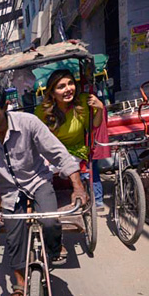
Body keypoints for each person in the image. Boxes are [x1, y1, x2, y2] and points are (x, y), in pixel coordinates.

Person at [0, 85, 86, 296]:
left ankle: (53, 250)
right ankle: (19, 287)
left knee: (51, 222)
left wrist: (77, 185)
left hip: (37, 182)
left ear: (5, 107)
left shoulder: (28, 123)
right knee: (13, 238)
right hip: (9, 191)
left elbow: (57, 153)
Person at [38, 69, 105, 209]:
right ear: (52, 93)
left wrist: (99, 108)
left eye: (70, 83)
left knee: (63, 166)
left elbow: (95, 125)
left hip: (76, 151)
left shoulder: (83, 103)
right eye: (61, 86)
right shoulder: (41, 111)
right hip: (51, 152)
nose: (68, 89)